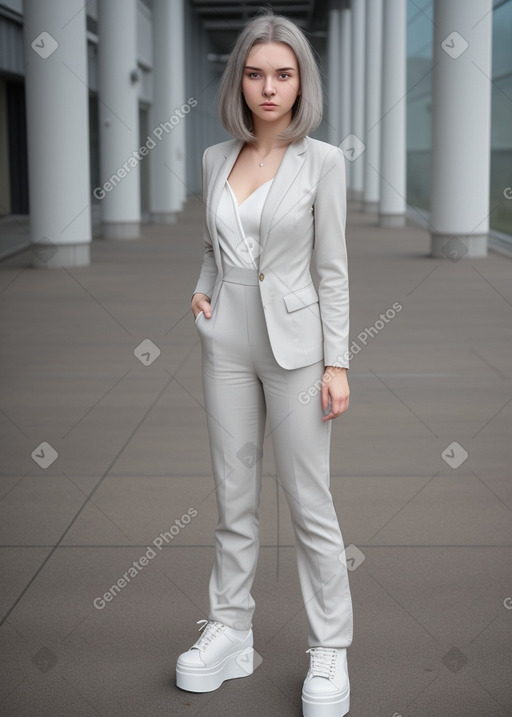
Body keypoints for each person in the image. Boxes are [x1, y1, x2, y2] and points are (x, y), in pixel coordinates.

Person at [176, 9, 353, 717]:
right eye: (255, 73)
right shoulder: (216, 158)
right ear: (239, 80)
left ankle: (331, 645)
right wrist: (203, 284)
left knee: (310, 502)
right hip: (226, 339)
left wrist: (337, 362)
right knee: (232, 495)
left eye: (282, 74)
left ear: (300, 80)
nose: (268, 87)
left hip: (297, 346)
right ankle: (232, 630)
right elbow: (213, 242)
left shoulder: (324, 161)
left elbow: (332, 269)